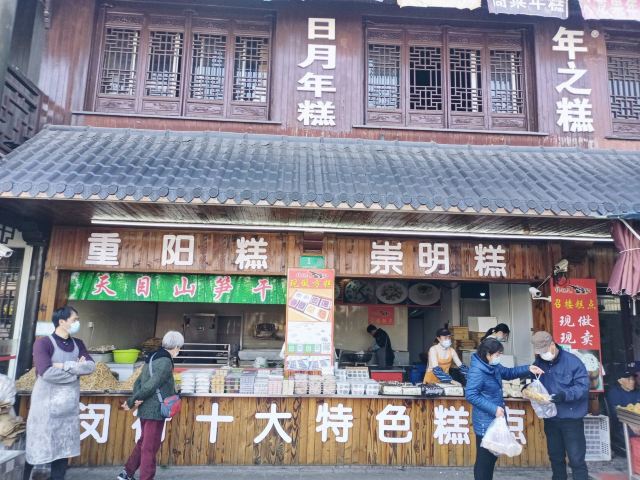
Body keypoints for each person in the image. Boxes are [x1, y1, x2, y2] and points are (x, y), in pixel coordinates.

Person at [25, 305, 96, 480]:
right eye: (75, 320)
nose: (77, 323)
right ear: (62, 321)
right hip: (45, 407)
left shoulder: (78, 343)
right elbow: (46, 372)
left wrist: (64, 365)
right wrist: (75, 373)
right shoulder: (43, 343)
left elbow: (90, 366)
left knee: (63, 449)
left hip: (68, 408)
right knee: (38, 446)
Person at [465, 338, 543, 480]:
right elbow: (471, 395)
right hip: (485, 421)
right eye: (497, 354)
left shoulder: (492, 366)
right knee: (485, 460)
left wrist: (528, 369)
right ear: (488, 354)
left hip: (494, 419)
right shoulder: (477, 371)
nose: (499, 357)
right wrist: (493, 409)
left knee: (490, 458)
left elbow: (508, 372)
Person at [118, 331, 184, 480]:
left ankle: (127, 473)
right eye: (179, 347)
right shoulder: (166, 361)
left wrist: (138, 398)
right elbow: (152, 384)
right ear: (176, 347)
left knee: (144, 442)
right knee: (150, 446)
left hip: (145, 407)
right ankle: (145, 477)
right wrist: (132, 401)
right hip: (155, 409)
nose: (179, 350)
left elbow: (139, 382)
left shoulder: (153, 356)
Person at [532, 331, 590, 480]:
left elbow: (583, 387)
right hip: (551, 418)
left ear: (553, 344)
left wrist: (564, 395)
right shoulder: (539, 363)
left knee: (576, 458)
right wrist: (527, 389)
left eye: (544, 351)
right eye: (540, 352)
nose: (543, 354)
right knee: (555, 456)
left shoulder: (573, 362)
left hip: (571, 418)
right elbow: (533, 381)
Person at [606, 367, 640, 453]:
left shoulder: (638, 392)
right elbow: (616, 412)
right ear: (620, 381)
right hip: (621, 426)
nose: (632, 381)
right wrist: (632, 423)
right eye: (629, 379)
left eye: (633, 379)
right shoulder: (614, 392)